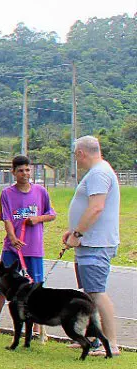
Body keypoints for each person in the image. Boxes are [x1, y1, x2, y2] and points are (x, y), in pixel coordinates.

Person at [0, 155, 55, 335]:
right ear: (13, 173)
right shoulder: (7, 194)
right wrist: (13, 238)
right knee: (2, 285)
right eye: (20, 170)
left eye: (27, 170)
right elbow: (6, 218)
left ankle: (38, 327)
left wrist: (36, 219)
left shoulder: (40, 192)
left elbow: (51, 214)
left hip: (34, 247)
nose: (24, 174)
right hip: (12, 248)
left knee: (36, 287)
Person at [62, 135, 121, 356]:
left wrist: (78, 233)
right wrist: (74, 231)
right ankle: (93, 337)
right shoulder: (98, 172)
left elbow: (96, 207)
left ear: (81, 153)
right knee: (88, 293)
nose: (76, 161)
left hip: (95, 243)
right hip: (88, 242)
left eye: (75, 156)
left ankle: (111, 343)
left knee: (96, 292)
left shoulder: (99, 173)